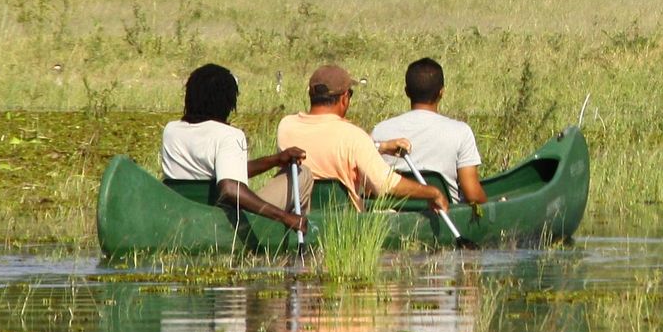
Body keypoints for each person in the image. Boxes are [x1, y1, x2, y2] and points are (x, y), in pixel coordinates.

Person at [268, 64, 449, 213]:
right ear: (345, 98)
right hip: (342, 218)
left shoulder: (286, 126)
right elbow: (386, 185)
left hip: (298, 214)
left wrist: (381, 146)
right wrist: (432, 192)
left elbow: (326, 142)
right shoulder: (353, 135)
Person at [161, 64, 307, 232]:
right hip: (220, 219)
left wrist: (274, 160)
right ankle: (300, 235)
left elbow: (222, 171)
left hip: (181, 216)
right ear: (228, 102)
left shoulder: (171, 130)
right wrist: (285, 217)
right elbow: (229, 188)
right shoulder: (229, 135)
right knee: (304, 174)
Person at [371, 58, 487, 207]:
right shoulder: (460, 132)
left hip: (393, 211)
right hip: (443, 213)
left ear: (407, 92)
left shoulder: (381, 130)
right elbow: (473, 195)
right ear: (442, 92)